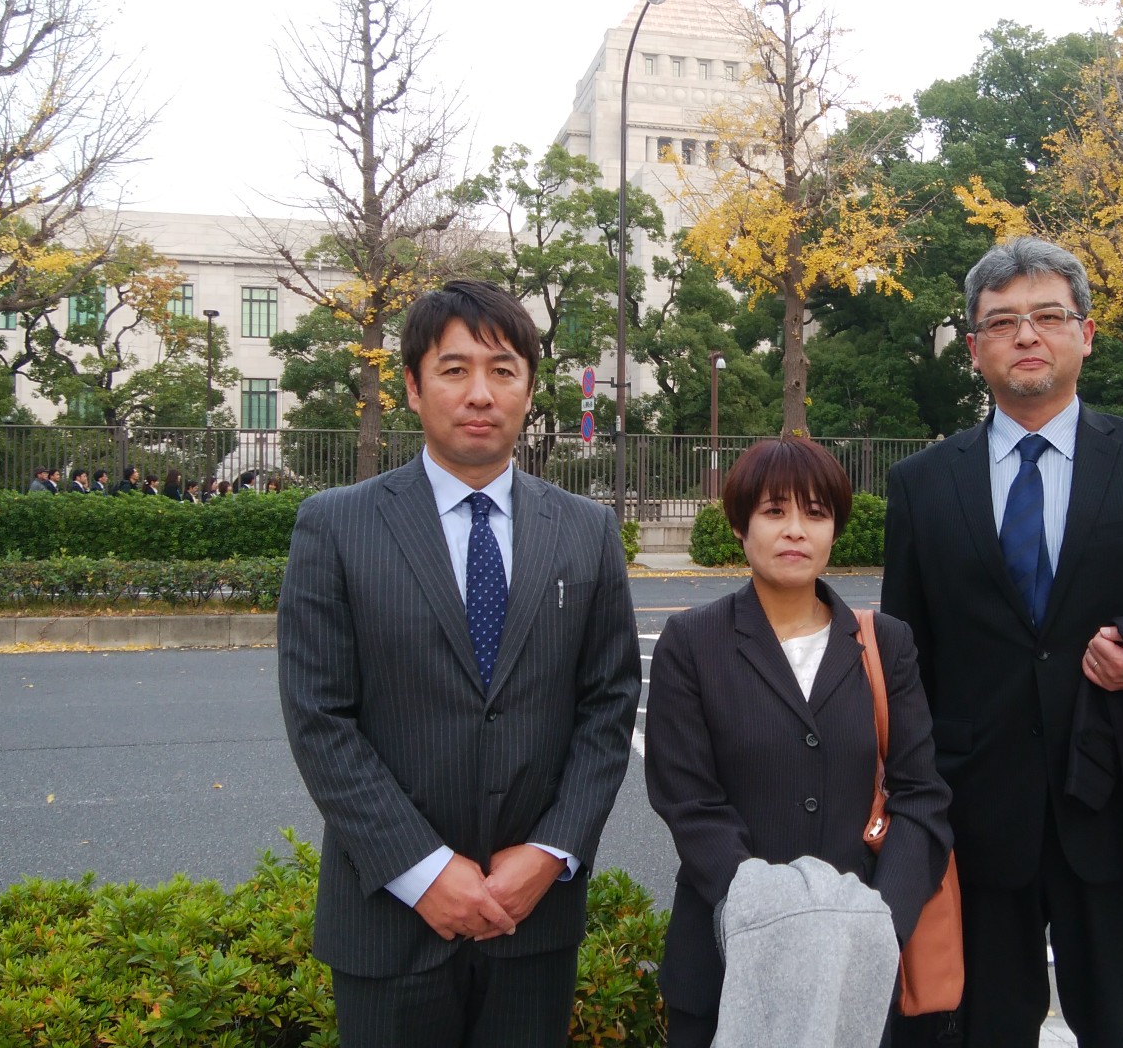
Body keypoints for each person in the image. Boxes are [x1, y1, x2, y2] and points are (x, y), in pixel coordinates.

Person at [881, 237, 1123, 1048]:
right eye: (1002, 321)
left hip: (1120, 811)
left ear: (1086, 334)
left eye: (1049, 315)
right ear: (974, 348)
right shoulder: (921, 484)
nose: (1027, 335)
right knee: (979, 1032)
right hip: (974, 824)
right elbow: (908, 662)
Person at [279, 279, 641, 1048]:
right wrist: (423, 870)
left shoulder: (585, 532)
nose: (480, 392)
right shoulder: (336, 527)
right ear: (412, 386)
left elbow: (608, 707)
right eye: (454, 369)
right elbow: (320, 719)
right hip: (388, 923)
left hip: (532, 923)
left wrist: (549, 853)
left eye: (503, 370)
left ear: (529, 389)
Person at [646, 437, 951, 1047]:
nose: (795, 530)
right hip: (724, 956)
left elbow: (921, 798)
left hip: (857, 962)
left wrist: (875, 923)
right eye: (773, 511)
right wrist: (770, 914)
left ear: (835, 527)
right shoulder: (692, 641)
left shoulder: (884, 643)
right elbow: (689, 801)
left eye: (815, 513)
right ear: (739, 525)